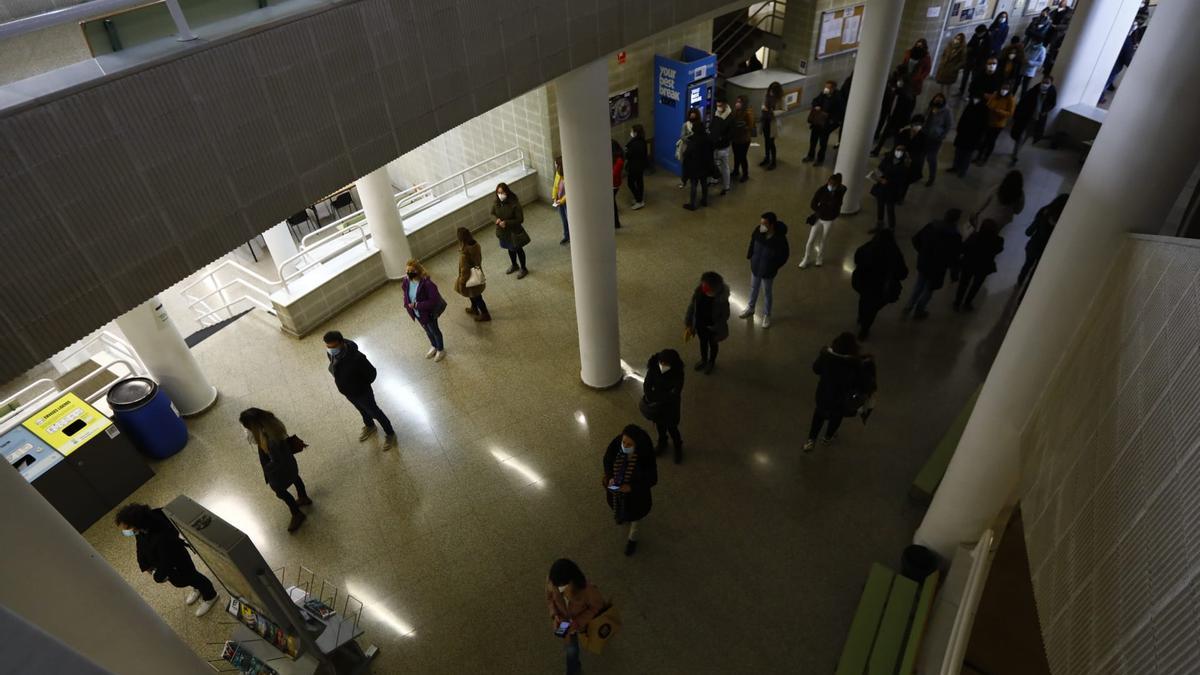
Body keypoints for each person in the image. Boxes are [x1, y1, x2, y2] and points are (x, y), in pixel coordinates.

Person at [115, 503, 219, 617]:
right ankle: (197, 588)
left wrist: (158, 576)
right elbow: (140, 545)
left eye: (127, 528)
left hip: (177, 559)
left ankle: (210, 596)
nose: (126, 531)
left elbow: (167, 560)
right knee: (186, 579)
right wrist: (144, 564)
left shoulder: (162, 533)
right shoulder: (140, 529)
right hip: (165, 562)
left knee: (192, 576)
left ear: (136, 523)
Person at [240, 408, 310, 532]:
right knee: (296, 478)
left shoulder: (269, 441)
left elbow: (277, 461)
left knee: (281, 492)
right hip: (291, 465)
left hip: (281, 473)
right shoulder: (273, 426)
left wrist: (267, 469)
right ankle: (303, 497)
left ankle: (296, 513)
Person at [803, 332, 875, 452]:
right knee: (836, 417)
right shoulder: (856, 364)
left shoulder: (826, 356)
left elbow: (816, 369)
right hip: (842, 399)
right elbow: (863, 384)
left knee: (819, 415)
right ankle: (827, 438)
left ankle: (811, 440)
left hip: (823, 394)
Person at [324, 330, 395, 450]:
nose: (331, 349)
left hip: (362, 392)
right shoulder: (332, 353)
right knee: (361, 410)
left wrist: (360, 385)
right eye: (328, 347)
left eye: (333, 347)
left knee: (375, 412)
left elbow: (372, 373)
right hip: (348, 391)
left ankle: (390, 433)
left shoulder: (357, 358)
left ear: (341, 343)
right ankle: (370, 426)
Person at [603, 424, 658, 554]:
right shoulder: (618, 443)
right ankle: (621, 516)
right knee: (623, 511)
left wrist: (631, 487)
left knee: (635, 522)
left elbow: (652, 479)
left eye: (629, 444)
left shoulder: (645, 458)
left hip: (637, 500)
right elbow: (607, 459)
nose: (624, 446)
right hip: (617, 494)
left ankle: (632, 540)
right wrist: (610, 475)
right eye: (624, 442)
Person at [546, 559, 606, 675]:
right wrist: (554, 616)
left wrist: (578, 622)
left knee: (572, 650)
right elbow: (549, 598)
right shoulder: (552, 580)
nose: (559, 590)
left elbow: (597, 606)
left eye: (563, 586)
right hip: (564, 621)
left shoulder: (588, 590)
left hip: (579, 624)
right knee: (570, 649)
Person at [904, 209, 964, 319]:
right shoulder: (955, 237)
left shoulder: (932, 226)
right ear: (956, 220)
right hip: (938, 268)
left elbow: (916, 239)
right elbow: (954, 257)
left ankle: (908, 306)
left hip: (925, 262)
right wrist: (954, 274)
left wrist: (922, 252)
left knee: (919, 285)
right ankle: (919, 310)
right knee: (929, 290)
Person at [851, 229, 908, 340]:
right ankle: (864, 329)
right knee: (873, 308)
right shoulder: (894, 253)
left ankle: (861, 317)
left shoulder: (867, 247)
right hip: (880, 288)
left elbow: (857, 259)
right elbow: (902, 273)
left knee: (863, 300)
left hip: (863, 283)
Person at [739, 212, 790, 328]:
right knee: (753, 288)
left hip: (768, 272)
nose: (761, 225)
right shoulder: (758, 230)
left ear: (771, 225)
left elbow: (784, 255)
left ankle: (767, 314)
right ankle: (751, 308)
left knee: (767, 293)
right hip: (756, 267)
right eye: (761, 222)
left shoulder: (779, 239)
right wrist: (750, 256)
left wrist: (774, 266)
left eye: (764, 223)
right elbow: (752, 242)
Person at [953, 218, 1004, 311]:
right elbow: (999, 250)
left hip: (969, 264)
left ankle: (957, 303)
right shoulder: (998, 240)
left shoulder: (974, 237)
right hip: (984, 267)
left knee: (963, 284)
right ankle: (967, 303)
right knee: (976, 285)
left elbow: (963, 248)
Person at [684, 271, 730, 374]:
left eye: (706, 287)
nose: (704, 288)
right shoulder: (699, 293)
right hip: (700, 325)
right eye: (703, 285)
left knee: (713, 345)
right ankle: (704, 359)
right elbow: (692, 307)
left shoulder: (721, 301)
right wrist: (688, 321)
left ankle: (711, 362)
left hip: (713, 329)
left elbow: (725, 316)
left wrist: (715, 327)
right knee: (702, 343)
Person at [1018, 193, 1069, 287]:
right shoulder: (1065, 222)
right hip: (1046, 252)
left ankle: (1019, 283)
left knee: (1027, 266)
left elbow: (1028, 232)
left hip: (1033, 246)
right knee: (1035, 274)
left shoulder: (1045, 212)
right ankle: (1025, 291)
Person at [642, 349, 684, 462]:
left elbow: (675, 393)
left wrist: (656, 396)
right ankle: (662, 442)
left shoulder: (678, 373)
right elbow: (647, 386)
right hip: (658, 406)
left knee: (672, 428)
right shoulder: (653, 367)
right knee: (660, 426)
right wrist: (657, 396)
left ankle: (678, 446)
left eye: (666, 363)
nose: (663, 365)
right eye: (662, 362)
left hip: (671, 407)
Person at [402, 259, 446, 361]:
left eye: (411, 271)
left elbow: (433, 301)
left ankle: (440, 349)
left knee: (434, 330)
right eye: (407, 271)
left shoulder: (427, 284)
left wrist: (417, 305)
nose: (408, 274)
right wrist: (406, 304)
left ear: (417, 271)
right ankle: (434, 346)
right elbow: (405, 294)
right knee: (427, 331)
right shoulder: (406, 281)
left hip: (428, 313)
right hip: (418, 314)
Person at [800, 173, 846, 269]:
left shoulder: (840, 192)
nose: (831, 186)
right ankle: (806, 259)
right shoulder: (822, 190)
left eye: (834, 185)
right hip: (819, 218)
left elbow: (838, 204)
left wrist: (833, 213)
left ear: (837, 185)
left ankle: (819, 258)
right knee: (811, 240)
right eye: (830, 183)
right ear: (828, 182)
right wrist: (819, 210)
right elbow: (813, 203)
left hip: (829, 220)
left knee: (823, 240)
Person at [1010, 76, 1057, 162]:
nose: (1044, 85)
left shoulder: (1052, 92)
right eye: (1044, 82)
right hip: (1028, 117)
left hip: (1037, 120)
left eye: (1047, 83)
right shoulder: (1034, 91)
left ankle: (1016, 151)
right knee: (1021, 135)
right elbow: (1023, 102)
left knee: (1026, 136)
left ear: (1051, 84)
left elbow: (1053, 103)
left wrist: (1045, 111)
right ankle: (1015, 154)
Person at [871, 71, 915, 155]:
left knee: (896, 138)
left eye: (901, 81)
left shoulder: (907, 96)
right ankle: (877, 150)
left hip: (898, 120)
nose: (899, 82)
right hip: (892, 118)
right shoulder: (898, 92)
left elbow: (906, 111)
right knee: (885, 136)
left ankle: (889, 152)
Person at [492, 182, 530, 278]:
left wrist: (506, 222)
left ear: (507, 192)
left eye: (502, 193)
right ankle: (514, 265)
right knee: (510, 248)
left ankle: (524, 268)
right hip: (503, 232)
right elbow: (491, 214)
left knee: (518, 249)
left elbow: (520, 219)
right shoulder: (496, 203)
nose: (500, 195)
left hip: (513, 232)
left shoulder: (514, 204)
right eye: (498, 193)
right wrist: (496, 220)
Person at [870, 144, 910, 232]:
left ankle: (891, 228)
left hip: (892, 190)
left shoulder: (905, 164)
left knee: (890, 209)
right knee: (880, 206)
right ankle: (879, 224)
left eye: (902, 150)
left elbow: (903, 180)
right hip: (882, 188)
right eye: (898, 149)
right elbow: (878, 170)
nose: (899, 152)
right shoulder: (888, 159)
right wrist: (880, 179)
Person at [454, 227, 490, 322]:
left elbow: (465, 271)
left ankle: (485, 314)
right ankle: (474, 308)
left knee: (477, 297)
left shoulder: (464, 254)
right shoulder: (475, 245)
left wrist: (462, 282)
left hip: (470, 278)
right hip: (477, 273)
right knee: (473, 295)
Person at [803, 80, 841, 166]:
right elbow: (815, 100)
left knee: (823, 143)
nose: (825, 88)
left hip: (826, 124)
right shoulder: (823, 94)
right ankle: (810, 156)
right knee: (813, 140)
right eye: (825, 86)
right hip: (817, 122)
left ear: (833, 88)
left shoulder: (837, 98)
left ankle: (820, 159)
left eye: (828, 87)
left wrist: (831, 119)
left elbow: (838, 112)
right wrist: (816, 105)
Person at [977, 83, 1016, 164]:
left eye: (1006, 89)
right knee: (984, 140)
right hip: (989, 121)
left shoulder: (1010, 99)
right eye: (1003, 88)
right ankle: (979, 156)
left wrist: (999, 111)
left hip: (998, 124)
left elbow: (1010, 113)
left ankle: (985, 158)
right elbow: (988, 103)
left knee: (991, 141)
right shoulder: (995, 94)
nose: (1004, 90)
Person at [952, 95, 988, 177]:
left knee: (967, 154)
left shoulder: (984, 109)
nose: (975, 100)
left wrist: (980, 137)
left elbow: (984, 125)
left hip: (973, 136)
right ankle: (955, 167)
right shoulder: (970, 106)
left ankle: (963, 171)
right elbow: (963, 118)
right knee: (958, 151)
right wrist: (959, 128)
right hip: (963, 133)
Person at [681, 117, 713, 210]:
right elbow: (711, 150)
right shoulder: (708, 139)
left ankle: (692, 204)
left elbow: (687, 154)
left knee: (694, 185)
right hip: (705, 165)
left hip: (694, 166)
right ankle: (704, 200)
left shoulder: (693, 140)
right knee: (704, 183)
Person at [921, 93, 953, 186]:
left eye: (940, 100)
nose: (937, 101)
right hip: (925, 135)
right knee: (921, 156)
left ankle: (932, 177)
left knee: (931, 158)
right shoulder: (930, 107)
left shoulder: (947, 111)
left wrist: (942, 135)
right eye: (936, 99)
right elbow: (923, 117)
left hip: (936, 138)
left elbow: (949, 125)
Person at [708, 99, 734, 195]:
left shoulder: (730, 117)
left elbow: (731, 134)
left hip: (723, 146)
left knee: (724, 166)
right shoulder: (716, 113)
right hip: (714, 145)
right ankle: (714, 179)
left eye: (720, 105)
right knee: (714, 163)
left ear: (725, 105)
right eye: (717, 105)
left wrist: (721, 138)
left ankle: (726, 186)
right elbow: (712, 126)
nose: (718, 108)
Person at [960, 25, 991, 97]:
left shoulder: (988, 39)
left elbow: (987, 52)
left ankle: (971, 94)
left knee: (974, 78)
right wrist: (969, 49)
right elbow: (970, 44)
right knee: (965, 75)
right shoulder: (975, 35)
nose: (978, 35)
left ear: (984, 32)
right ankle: (961, 90)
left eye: (979, 33)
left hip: (979, 62)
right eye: (977, 33)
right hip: (971, 59)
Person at [759, 81, 783, 169]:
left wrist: (773, 112)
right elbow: (763, 103)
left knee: (771, 142)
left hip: (773, 122)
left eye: (773, 91)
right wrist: (763, 107)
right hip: (765, 120)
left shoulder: (780, 99)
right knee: (766, 140)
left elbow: (784, 110)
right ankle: (767, 157)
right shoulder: (767, 95)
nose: (771, 92)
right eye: (770, 90)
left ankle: (773, 161)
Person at [730, 96, 755, 182]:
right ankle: (736, 170)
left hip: (744, 139)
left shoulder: (747, 113)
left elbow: (750, 126)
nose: (737, 103)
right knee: (736, 156)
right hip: (735, 138)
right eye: (737, 101)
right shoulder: (735, 111)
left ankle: (745, 174)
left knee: (742, 157)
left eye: (739, 102)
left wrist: (742, 126)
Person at [676, 108, 701, 188]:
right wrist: (691, 137)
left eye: (694, 113)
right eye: (691, 113)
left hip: (696, 148)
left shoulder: (699, 124)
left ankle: (692, 181)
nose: (692, 114)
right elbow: (682, 136)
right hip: (687, 148)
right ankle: (683, 181)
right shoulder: (685, 125)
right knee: (685, 166)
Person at [624, 124, 648, 209]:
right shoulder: (642, 141)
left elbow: (628, 155)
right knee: (639, 182)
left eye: (632, 131)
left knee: (630, 183)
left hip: (634, 167)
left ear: (635, 132)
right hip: (640, 166)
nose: (631, 132)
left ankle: (639, 200)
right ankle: (639, 199)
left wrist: (626, 151)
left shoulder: (634, 143)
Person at [552, 157, 569, 244]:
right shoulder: (558, 174)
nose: (555, 165)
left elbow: (569, 192)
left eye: (556, 164)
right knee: (564, 220)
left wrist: (561, 201)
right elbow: (555, 186)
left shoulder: (568, 176)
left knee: (569, 219)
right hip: (559, 201)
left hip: (567, 203)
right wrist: (555, 197)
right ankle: (566, 236)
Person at [610, 139, 624, 229]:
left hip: (614, 185)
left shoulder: (619, 160)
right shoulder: (613, 158)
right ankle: (615, 222)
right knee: (612, 202)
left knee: (612, 203)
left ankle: (616, 223)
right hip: (612, 183)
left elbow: (614, 174)